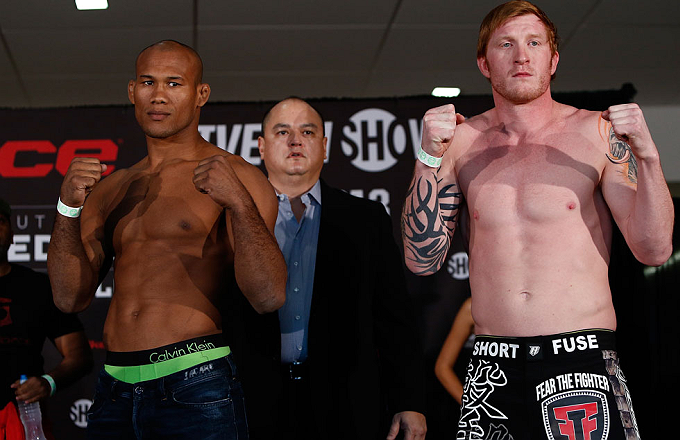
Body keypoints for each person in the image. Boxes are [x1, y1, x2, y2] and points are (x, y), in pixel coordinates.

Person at [400, 0, 674, 440]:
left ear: (554, 59)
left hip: (580, 360)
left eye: (534, 43)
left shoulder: (596, 132)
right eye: (506, 44)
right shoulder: (460, 143)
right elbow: (421, 259)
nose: (521, 55)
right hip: (492, 366)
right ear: (484, 63)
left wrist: (649, 156)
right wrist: (429, 156)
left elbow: (655, 249)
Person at [46, 40, 287, 440]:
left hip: (194, 382)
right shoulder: (112, 189)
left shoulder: (235, 175)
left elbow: (268, 296)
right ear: (131, 91)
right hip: (114, 389)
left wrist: (240, 205)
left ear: (201, 94)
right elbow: (69, 298)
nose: (158, 95)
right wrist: (67, 208)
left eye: (174, 83)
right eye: (148, 82)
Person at [256, 97, 427, 440]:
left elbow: (394, 319)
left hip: (345, 402)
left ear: (324, 146)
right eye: (282, 131)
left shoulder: (366, 219)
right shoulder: (234, 218)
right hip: (255, 400)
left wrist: (409, 400)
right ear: (261, 147)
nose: (295, 140)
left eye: (307, 131)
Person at [0, 198, 93, 438]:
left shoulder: (37, 288)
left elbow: (79, 356)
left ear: (12, 234)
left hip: (21, 416)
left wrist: (48, 381)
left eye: (0, 221)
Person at [434, 297, 475, 404]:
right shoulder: (473, 307)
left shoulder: (522, 307)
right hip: (489, 405)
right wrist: (471, 406)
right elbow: (442, 367)